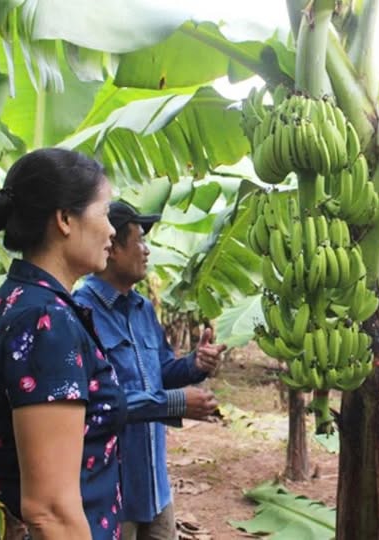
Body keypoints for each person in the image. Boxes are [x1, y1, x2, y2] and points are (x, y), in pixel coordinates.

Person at [0, 148, 124, 539]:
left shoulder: (22, 299)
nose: (112, 229)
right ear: (64, 219)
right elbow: (50, 511)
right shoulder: (46, 322)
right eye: (105, 212)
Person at [74, 201, 225, 540]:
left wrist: (194, 364)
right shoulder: (81, 313)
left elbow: (160, 371)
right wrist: (174, 402)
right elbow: (100, 402)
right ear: (111, 247)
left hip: (155, 488)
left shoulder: (142, 309)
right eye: (139, 240)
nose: (147, 251)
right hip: (110, 494)